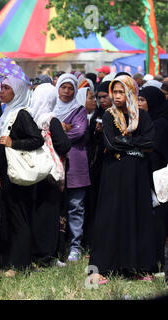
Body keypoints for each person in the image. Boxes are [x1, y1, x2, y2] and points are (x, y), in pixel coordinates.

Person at [89, 75, 158, 283]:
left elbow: (150, 141)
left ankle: (138, 266)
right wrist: (136, 145)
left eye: (121, 92)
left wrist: (127, 142)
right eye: (115, 92)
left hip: (137, 175)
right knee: (111, 216)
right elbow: (111, 144)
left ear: (131, 93)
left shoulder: (142, 116)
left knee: (137, 215)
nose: (117, 96)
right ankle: (100, 269)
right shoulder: (109, 115)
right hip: (115, 174)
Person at [0, 77, 44, 276]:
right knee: (9, 217)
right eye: (1, 88)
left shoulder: (22, 114)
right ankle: (10, 261)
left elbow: (37, 139)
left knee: (19, 217)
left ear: (18, 91)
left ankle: (20, 264)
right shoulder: (6, 112)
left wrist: (13, 143)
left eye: (7, 88)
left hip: (19, 175)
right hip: (7, 174)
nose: (2, 91)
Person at [28, 83, 71, 266]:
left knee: (35, 212)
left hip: (32, 171)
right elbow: (63, 145)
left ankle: (33, 252)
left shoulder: (29, 117)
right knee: (50, 212)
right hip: (50, 173)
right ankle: (47, 255)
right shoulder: (51, 119)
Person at [53, 73, 90, 262]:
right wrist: (63, 128)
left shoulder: (79, 110)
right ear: (57, 88)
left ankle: (75, 247)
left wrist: (56, 131)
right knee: (55, 206)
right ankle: (57, 247)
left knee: (75, 207)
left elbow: (79, 131)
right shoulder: (51, 108)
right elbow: (44, 131)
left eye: (70, 88)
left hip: (75, 166)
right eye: (63, 87)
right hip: (54, 165)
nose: (67, 91)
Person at [139, 86, 168, 270]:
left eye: (142, 100)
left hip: (158, 180)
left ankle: (158, 263)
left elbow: (156, 154)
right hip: (152, 178)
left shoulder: (161, 124)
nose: (139, 103)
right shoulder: (149, 121)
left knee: (159, 222)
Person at [83, 81, 112, 250]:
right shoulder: (97, 115)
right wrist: (96, 131)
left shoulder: (119, 114)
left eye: (104, 96)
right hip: (96, 165)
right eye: (98, 97)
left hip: (111, 165)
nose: (101, 100)